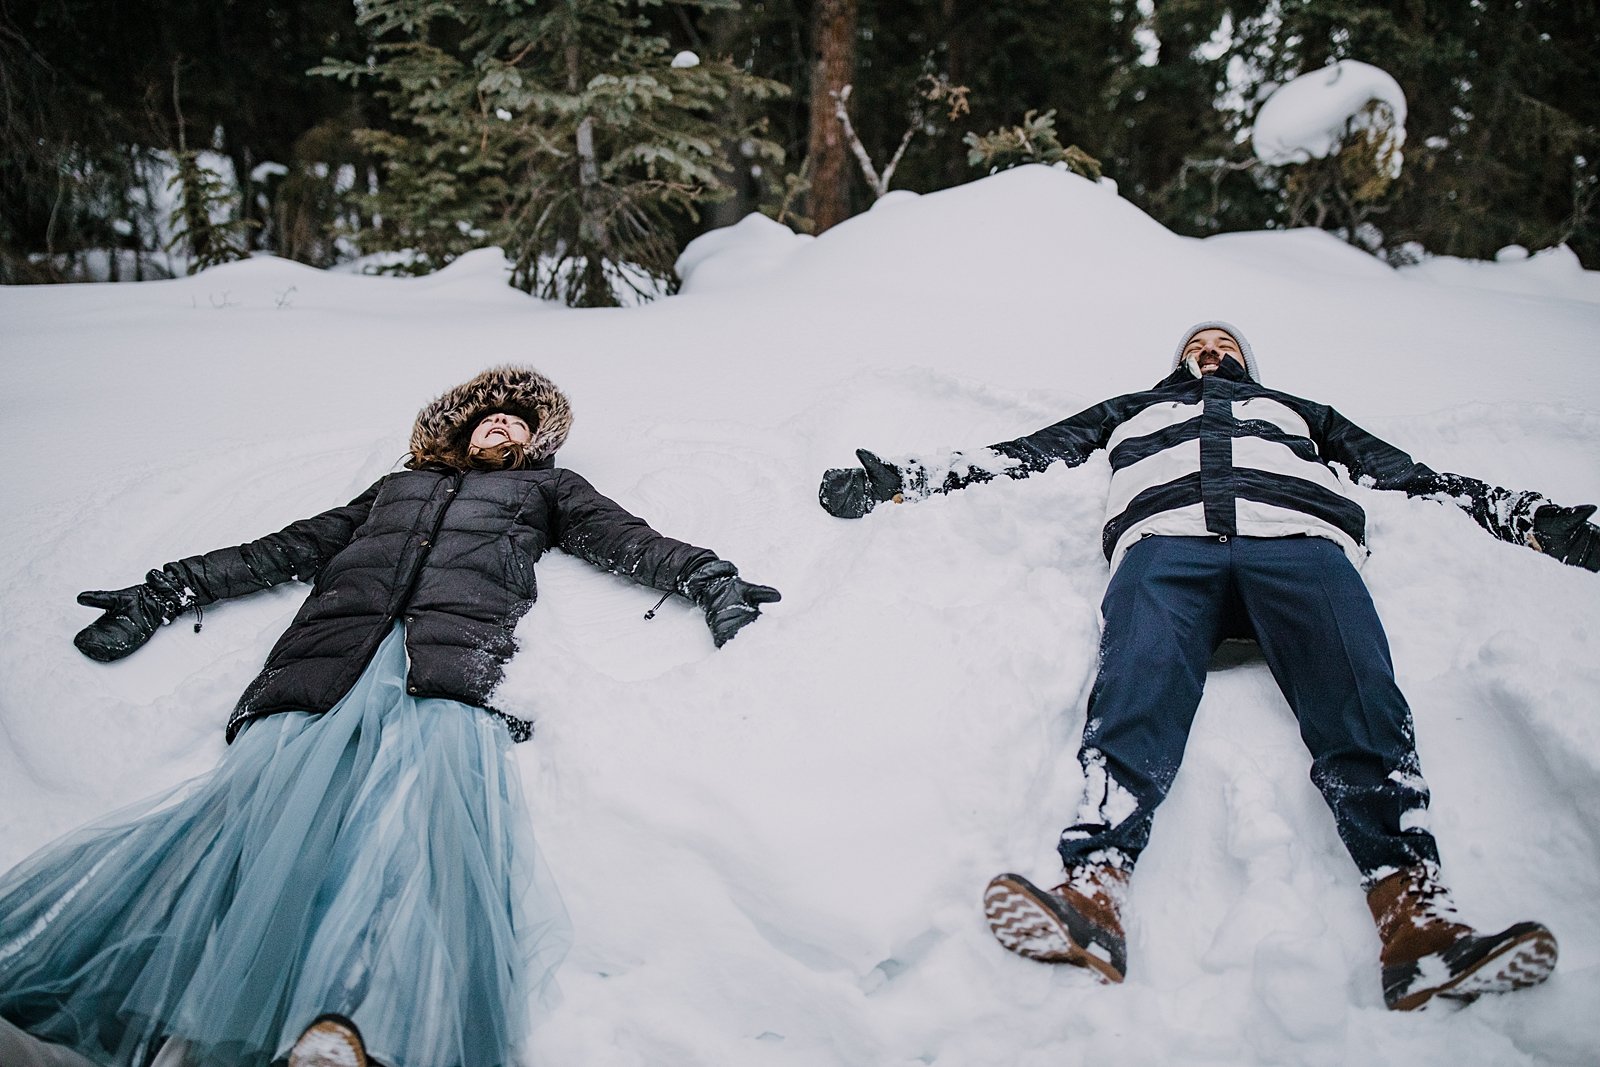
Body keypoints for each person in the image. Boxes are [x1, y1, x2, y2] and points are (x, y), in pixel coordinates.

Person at [0, 365, 780, 1067]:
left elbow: (626, 541)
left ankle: (358, 1033)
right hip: (327, 671)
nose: (501, 426)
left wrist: (709, 577)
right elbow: (285, 548)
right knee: (252, 828)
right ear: (461, 429)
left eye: (517, 423)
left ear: (535, 442)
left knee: (418, 839)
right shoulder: (393, 490)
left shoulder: (547, 491)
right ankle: (152, 1019)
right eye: (489, 418)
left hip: (443, 672)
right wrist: (169, 589)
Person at [817, 322, 1598, 1011]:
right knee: (1136, 681)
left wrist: (1546, 525)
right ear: (1178, 366)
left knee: (1359, 694)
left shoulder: (1299, 413)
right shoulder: (1135, 409)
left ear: (1245, 364)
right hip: (1165, 543)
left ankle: (1416, 916)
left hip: (1298, 541)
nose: (1210, 353)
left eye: (1224, 347)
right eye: (1197, 347)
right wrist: (898, 481)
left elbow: (1411, 476)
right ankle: (1095, 884)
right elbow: (1031, 454)